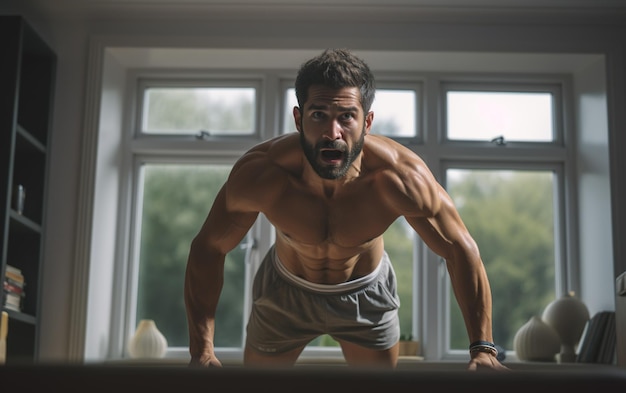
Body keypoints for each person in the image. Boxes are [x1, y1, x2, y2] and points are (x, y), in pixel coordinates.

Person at [184, 48, 508, 371]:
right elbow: (209, 248)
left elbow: (460, 248)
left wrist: (483, 349)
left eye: (346, 117)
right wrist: (201, 350)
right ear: (298, 119)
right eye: (318, 115)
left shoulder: (399, 178)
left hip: (365, 293)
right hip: (285, 292)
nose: (332, 133)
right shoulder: (262, 175)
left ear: (367, 122)